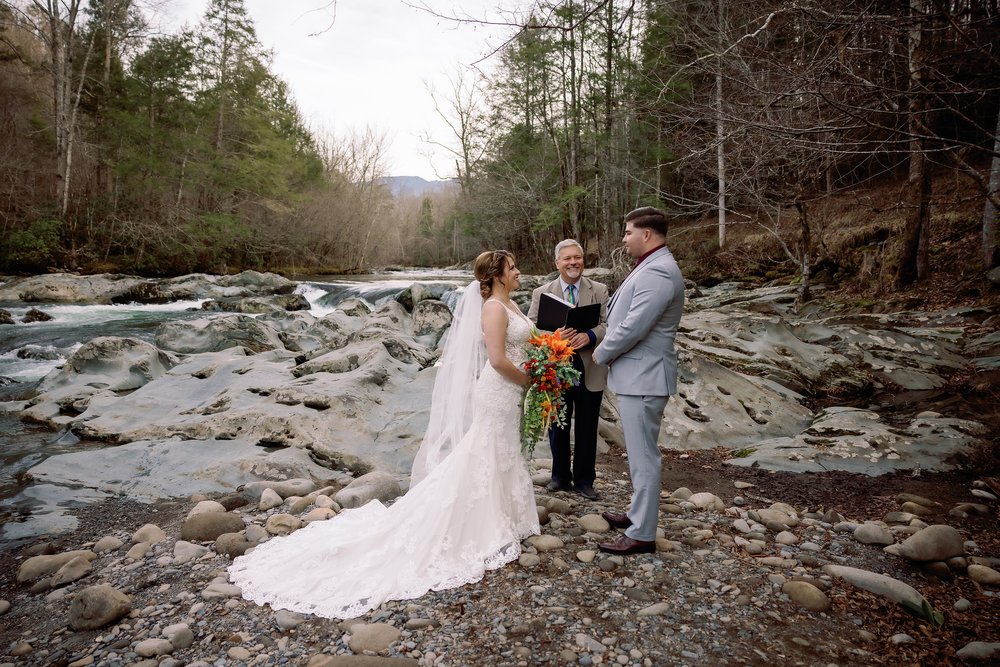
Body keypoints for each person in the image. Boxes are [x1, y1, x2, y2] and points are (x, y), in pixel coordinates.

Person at [229, 250, 540, 619]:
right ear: (497, 275)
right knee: (487, 450)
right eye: (512, 267)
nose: (518, 271)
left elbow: (527, 344)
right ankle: (481, 521)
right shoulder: (491, 308)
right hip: (501, 390)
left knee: (503, 450)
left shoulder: (513, 304)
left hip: (512, 392)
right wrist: (532, 381)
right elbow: (498, 359)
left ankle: (508, 515)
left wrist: (552, 348)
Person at [592, 207, 685, 556]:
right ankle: (636, 514)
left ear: (647, 234)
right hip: (638, 376)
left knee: (644, 456)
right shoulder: (651, 265)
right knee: (637, 453)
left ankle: (643, 533)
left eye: (628, 231)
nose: (624, 238)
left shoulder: (659, 271)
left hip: (645, 378)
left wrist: (600, 354)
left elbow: (635, 325)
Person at [527, 239, 608, 500]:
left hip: (590, 366)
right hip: (556, 368)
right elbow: (531, 328)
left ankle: (585, 480)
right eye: (567, 259)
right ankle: (559, 476)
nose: (573, 262)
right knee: (557, 425)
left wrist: (591, 336)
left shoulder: (599, 290)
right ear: (557, 263)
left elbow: (608, 324)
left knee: (587, 424)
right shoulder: (542, 292)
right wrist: (554, 336)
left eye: (577, 258)